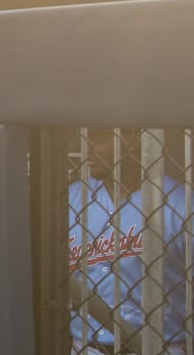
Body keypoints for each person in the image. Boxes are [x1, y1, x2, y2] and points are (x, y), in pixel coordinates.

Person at [69, 128, 189, 354]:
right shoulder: (71, 201)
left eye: (99, 137)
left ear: (133, 139)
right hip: (87, 348)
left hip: (161, 347)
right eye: (85, 139)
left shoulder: (182, 205)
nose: (88, 149)